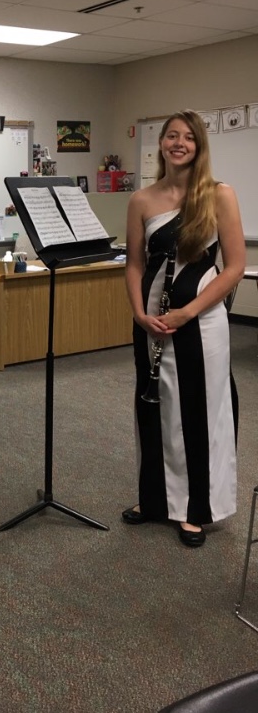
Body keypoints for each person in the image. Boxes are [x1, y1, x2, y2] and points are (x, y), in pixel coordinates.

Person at [122, 109, 245, 547]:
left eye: (188, 138)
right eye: (171, 136)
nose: (178, 143)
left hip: (201, 321)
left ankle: (197, 508)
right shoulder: (142, 199)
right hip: (152, 320)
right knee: (153, 408)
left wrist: (187, 312)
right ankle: (154, 498)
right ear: (161, 143)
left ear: (198, 146)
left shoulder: (218, 195)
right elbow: (135, 264)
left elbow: (234, 269)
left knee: (197, 410)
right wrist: (140, 314)